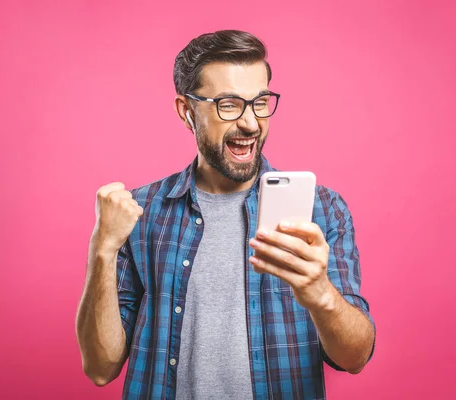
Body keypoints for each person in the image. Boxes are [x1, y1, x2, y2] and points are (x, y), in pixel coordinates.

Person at [75, 29, 376, 399]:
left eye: (260, 101)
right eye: (229, 104)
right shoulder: (141, 214)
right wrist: (102, 250)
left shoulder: (323, 211)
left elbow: (355, 358)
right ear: (187, 112)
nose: (250, 123)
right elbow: (100, 367)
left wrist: (320, 294)